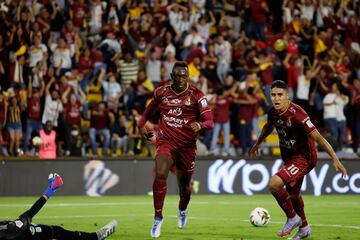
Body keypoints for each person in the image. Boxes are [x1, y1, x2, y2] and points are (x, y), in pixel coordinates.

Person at [249, 80, 348, 239]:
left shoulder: (298, 115)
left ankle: (293, 218)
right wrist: (257, 143)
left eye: (280, 95)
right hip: (289, 158)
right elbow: (268, 126)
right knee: (293, 194)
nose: (276, 98)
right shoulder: (273, 112)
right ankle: (304, 228)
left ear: (287, 96)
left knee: (274, 184)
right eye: (273, 95)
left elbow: (319, 138)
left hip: (304, 158)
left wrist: (335, 159)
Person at [138, 61, 214, 238]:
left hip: (187, 148)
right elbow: (147, 113)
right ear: (172, 76)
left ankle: (182, 209)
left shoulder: (197, 95)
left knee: (185, 188)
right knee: (160, 173)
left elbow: (210, 122)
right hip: (166, 142)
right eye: (177, 75)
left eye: (184, 75)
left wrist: (200, 124)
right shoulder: (162, 92)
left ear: (188, 76)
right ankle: (158, 218)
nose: (181, 79)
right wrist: (141, 126)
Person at [0, 173, 117, 240]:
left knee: (57, 231)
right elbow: (29, 214)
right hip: (29, 234)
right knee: (57, 232)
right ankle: (95, 237)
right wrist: (49, 191)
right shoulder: (9, 229)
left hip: (26, 233)